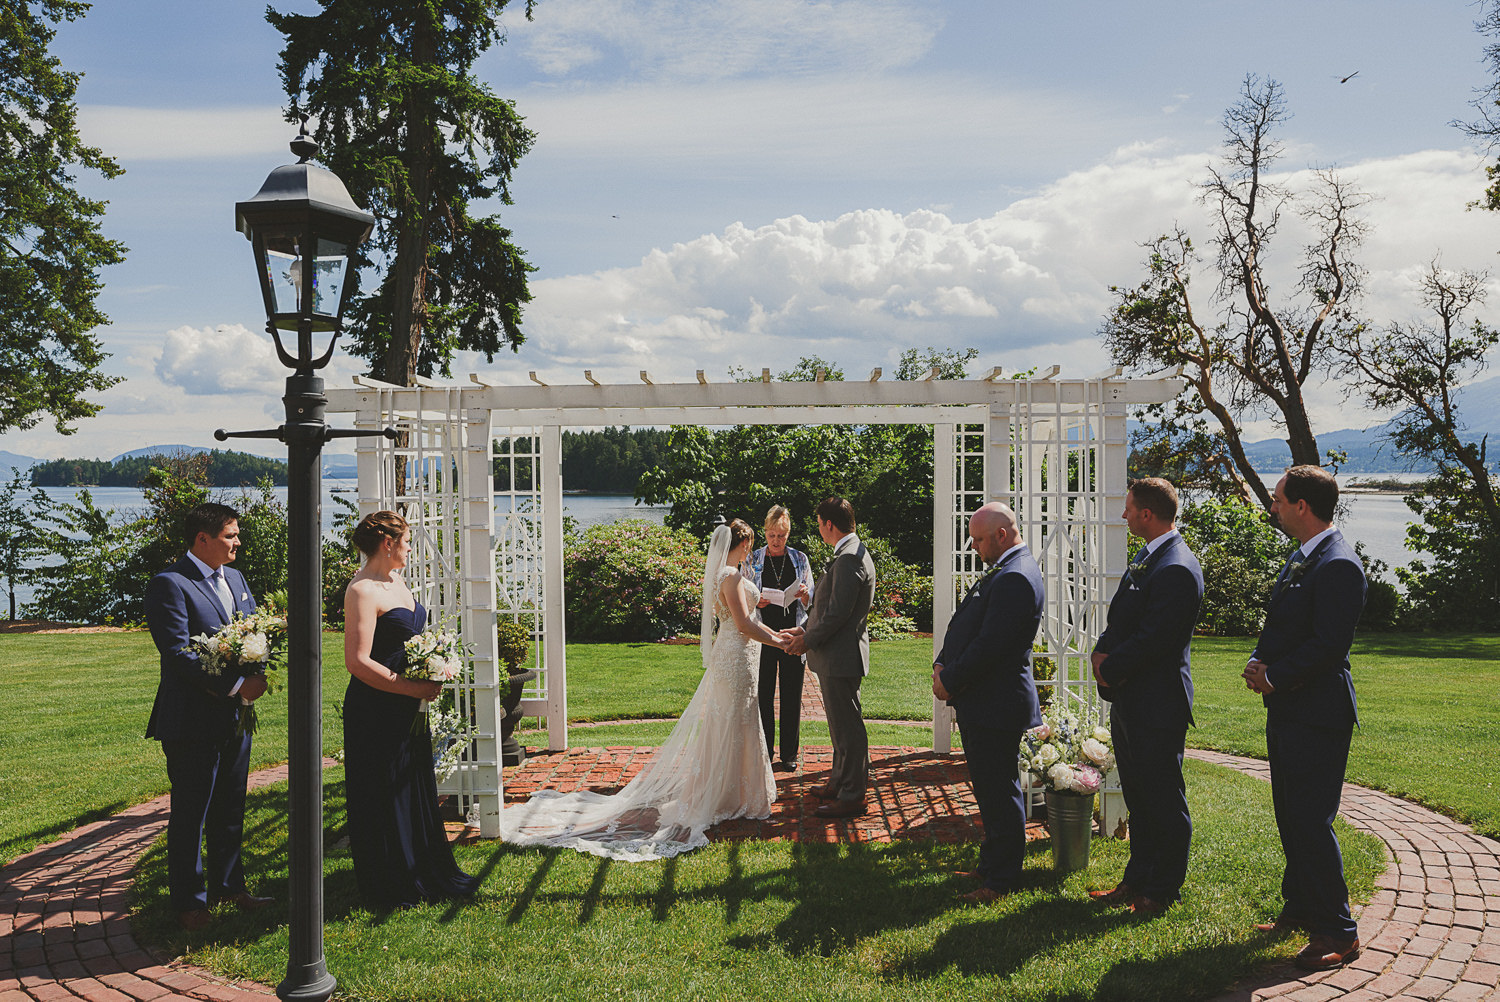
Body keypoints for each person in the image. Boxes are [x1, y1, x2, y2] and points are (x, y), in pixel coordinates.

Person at [500, 519, 791, 859]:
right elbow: (742, 624)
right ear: (740, 545)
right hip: (736, 656)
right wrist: (777, 641)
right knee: (732, 721)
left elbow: (746, 621)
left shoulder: (722, 575)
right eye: (749, 544)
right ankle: (728, 794)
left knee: (733, 720)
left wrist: (777, 635)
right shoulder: (731, 576)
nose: (750, 550)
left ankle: (735, 791)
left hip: (737, 654)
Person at [1244, 466, 1366, 971]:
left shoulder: (1338, 565)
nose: (1272, 507)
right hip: (1291, 707)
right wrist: (1259, 659)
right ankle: (1299, 905)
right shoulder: (1303, 557)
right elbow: (1285, 624)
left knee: (1312, 821)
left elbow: (1328, 646)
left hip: (1317, 712)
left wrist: (1276, 676)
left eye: (1277, 499)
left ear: (1302, 505)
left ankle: (1338, 930)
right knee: (1290, 816)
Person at [144, 502, 272, 931]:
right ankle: (190, 903)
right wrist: (236, 687)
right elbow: (179, 652)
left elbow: (252, 630)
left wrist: (256, 672)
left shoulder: (235, 578)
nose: (238, 542)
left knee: (231, 805)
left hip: (235, 719)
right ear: (203, 539)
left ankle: (230, 887)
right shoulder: (170, 584)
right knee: (190, 813)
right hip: (192, 720)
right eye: (230, 535)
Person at [342, 510, 480, 908]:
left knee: (410, 783)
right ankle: (390, 880)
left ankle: (422, 866)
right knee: (381, 790)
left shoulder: (397, 580)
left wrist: (433, 664)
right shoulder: (362, 590)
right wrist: (410, 687)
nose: (408, 550)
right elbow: (357, 661)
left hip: (406, 706)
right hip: (376, 707)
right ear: (387, 544)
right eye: (405, 543)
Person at [1089, 478, 1204, 917]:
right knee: (1138, 796)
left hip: (1158, 703)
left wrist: (1109, 666)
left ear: (1147, 515)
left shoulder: (1176, 567)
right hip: (1132, 699)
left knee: (1163, 799)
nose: (1124, 515)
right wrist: (1102, 649)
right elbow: (1122, 618)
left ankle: (1163, 889)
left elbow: (1156, 639)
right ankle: (1136, 880)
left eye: (1129, 508)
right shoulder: (1148, 556)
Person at [932, 502, 1043, 904]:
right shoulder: (1005, 568)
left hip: (996, 702)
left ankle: (1002, 879)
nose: (974, 546)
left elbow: (991, 647)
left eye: (979, 539)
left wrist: (951, 681)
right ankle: (992, 863)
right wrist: (942, 661)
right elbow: (967, 622)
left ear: (1002, 534)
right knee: (989, 788)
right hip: (984, 699)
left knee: (999, 791)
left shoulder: (1016, 576)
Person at [785, 497, 877, 819]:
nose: (819, 529)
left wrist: (806, 640)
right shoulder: (848, 554)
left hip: (841, 658)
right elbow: (827, 607)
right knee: (839, 728)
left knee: (848, 729)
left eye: (819, 524)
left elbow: (838, 614)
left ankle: (853, 795)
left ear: (829, 525)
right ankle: (839, 783)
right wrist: (803, 629)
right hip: (837, 657)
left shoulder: (850, 558)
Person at [747, 505, 813, 773]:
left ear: (788, 534)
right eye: (772, 535)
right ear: (765, 532)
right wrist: (756, 601)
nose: (776, 541)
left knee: (791, 695)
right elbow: (742, 597)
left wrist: (805, 594)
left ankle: (789, 754)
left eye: (782, 536)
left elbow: (811, 601)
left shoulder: (799, 558)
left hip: (792, 635)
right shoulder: (753, 559)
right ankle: (765, 751)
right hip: (763, 634)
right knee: (763, 694)